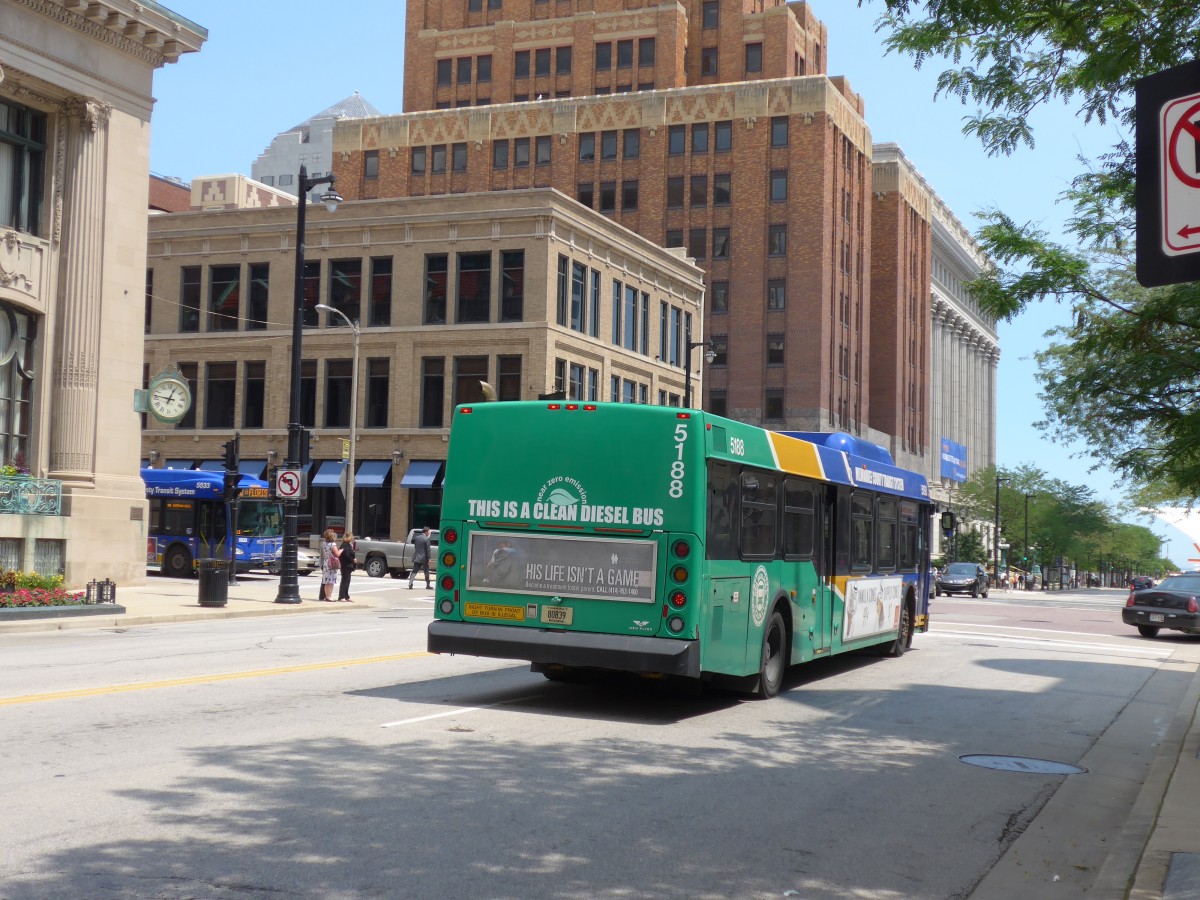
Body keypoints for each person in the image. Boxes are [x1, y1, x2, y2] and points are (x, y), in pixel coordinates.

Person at [320, 528, 341, 601]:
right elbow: (337, 554)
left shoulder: (324, 544)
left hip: (326, 563)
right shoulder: (333, 544)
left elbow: (323, 555)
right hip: (331, 564)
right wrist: (341, 550)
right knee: (331, 581)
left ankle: (327, 596)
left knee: (326, 581)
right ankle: (329, 596)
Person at [409, 525, 432, 589]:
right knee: (426, 571)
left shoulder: (417, 538)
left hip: (417, 556)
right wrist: (429, 559)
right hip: (424, 558)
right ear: (426, 532)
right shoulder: (426, 539)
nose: (429, 533)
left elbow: (416, 547)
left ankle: (410, 583)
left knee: (414, 571)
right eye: (429, 532)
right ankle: (428, 585)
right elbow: (428, 550)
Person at [337, 531, 357, 602]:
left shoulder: (348, 545)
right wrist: (353, 560)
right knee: (344, 581)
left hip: (349, 566)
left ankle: (346, 596)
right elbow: (346, 555)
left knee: (347, 581)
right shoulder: (344, 545)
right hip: (345, 565)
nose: (353, 538)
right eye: (352, 537)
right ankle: (341, 596)